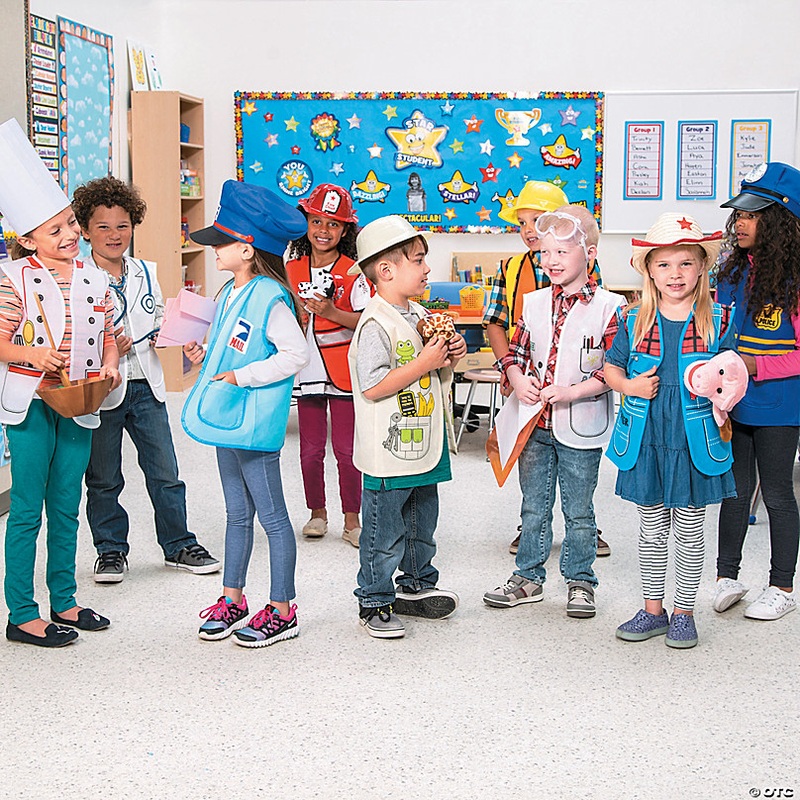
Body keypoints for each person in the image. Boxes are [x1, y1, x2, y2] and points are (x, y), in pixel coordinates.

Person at [0, 118, 120, 647]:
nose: (70, 235)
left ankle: (64, 600)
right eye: (55, 231)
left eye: (71, 223)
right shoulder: (13, 280)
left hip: (80, 400)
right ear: (28, 240)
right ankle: (22, 613)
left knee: (67, 503)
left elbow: (109, 333)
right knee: (28, 507)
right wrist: (32, 353)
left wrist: (111, 362)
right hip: (31, 402)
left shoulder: (96, 278)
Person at [72, 176, 220, 582]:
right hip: (104, 389)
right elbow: (73, 337)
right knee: (103, 478)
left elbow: (155, 318)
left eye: (122, 226)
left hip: (146, 388)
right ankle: (110, 550)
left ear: (133, 226)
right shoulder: (77, 277)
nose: (114, 235)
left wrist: (169, 335)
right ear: (85, 231)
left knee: (165, 472)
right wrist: (106, 347)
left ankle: (179, 544)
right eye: (103, 227)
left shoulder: (143, 271)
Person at [182, 180, 308, 648]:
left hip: (252, 423)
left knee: (272, 517)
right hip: (227, 419)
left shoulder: (269, 296)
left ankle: (283, 609)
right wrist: (205, 359)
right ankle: (232, 599)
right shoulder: (229, 293)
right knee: (237, 514)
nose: (214, 249)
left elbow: (295, 355)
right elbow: (232, 351)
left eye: (222, 242)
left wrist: (242, 376)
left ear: (248, 249)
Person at [483, 205, 623, 620]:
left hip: (580, 424)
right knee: (533, 505)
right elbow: (517, 352)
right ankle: (527, 577)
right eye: (545, 252)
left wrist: (572, 391)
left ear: (590, 254)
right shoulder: (533, 302)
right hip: (536, 424)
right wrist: (515, 375)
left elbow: (612, 370)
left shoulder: (610, 307)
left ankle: (580, 580)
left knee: (579, 510)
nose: (551, 261)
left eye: (562, 252)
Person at [605, 212, 736, 649]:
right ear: (649, 271)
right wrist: (629, 386)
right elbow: (611, 368)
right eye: (664, 264)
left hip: (694, 440)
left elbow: (733, 375)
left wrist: (723, 393)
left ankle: (684, 612)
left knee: (691, 531)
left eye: (685, 263)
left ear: (701, 267)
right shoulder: (633, 319)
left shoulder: (719, 319)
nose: (675, 273)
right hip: (648, 439)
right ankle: (652, 610)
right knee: (651, 530)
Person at [347, 215, 465, 639]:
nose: (427, 268)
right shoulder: (375, 323)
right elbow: (373, 385)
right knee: (385, 529)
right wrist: (425, 362)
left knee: (421, 521)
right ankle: (375, 598)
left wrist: (449, 355)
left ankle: (416, 584)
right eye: (418, 260)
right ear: (386, 270)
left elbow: (432, 370)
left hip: (425, 443)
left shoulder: (418, 313)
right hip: (390, 448)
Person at [714, 162, 800, 620]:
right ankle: (726, 576)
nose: (741, 224)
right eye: (740, 215)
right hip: (735, 402)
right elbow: (720, 330)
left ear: (782, 221)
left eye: (753, 215)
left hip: (780, 406)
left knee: (778, 495)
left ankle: (782, 586)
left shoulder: (795, 280)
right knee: (734, 490)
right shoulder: (733, 271)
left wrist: (754, 365)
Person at [286, 183, 369, 547]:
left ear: (345, 230)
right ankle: (317, 513)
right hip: (307, 370)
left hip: (343, 370)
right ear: (305, 223)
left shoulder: (354, 271)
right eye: (316, 221)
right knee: (309, 451)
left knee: (347, 452)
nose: (323, 230)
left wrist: (332, 312)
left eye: (333, 224)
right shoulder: (291, 267)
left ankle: (352, 520)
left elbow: (367, 320)